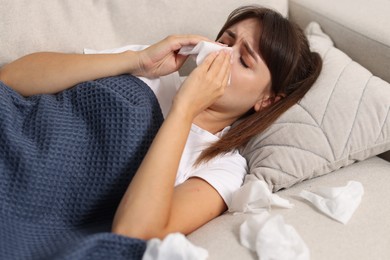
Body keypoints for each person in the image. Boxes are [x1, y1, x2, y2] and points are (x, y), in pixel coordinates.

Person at [0, 6, 322, 240]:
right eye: (225, 41)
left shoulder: (223, 168)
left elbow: (133, 231)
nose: (221, 55)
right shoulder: (152, 66)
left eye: (243, 59)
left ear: (266, 100)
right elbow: (11, 78)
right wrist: (136, 60)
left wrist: (184, 110)